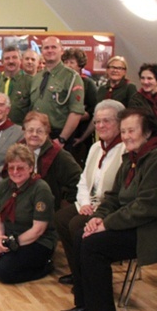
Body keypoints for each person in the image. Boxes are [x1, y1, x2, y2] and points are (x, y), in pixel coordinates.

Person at [60, 107, 157, 311]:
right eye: (123, 131)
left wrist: (106, 224)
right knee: (82, 231)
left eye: (131, 130)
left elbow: (146, 208)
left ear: (148, 131)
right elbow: (114, 196)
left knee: (93, 244)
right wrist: (98, 217)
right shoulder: (134, 157)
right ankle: (85, 304)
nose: (126, 136)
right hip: (139, 223)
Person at [54, 100, 125, 285]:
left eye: (106, 121)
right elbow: (84, 181)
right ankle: (78, 271)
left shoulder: (125, 150)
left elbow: (121, 191)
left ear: (120, 122)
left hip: (111, 208)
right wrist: (84, 203)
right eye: (97, 122)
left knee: (76, 224)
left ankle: (87, 278)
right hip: (90, 203)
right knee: (61, 218)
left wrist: (97, 208)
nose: (100, 126)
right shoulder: (95, 147)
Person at [0, 144, 57, 283]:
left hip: (36, 241)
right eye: (11, 167)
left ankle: (46, 266)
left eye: (20, 168)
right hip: (9, 236)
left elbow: (38, 230)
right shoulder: (5, 185)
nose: (15, 172)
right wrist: (0, 238)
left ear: (31, 168)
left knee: (5, 274)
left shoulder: (40, 189)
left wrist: (9, 244)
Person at [30, 36, 84, 148]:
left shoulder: (72, 77)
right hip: (36, 134)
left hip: (58, 135)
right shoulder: (37, 77)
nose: (50, 50)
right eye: (46, 48)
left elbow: (76, 112)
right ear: (42, 51)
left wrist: (62, 139)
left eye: (54, 47)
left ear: (61, 51)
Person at [21, 111, 81, 210]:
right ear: (24, 132)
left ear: (46, 134)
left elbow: (78, 180)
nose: (34, 134)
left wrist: (66, 202)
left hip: (48, 205)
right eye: (30, 130)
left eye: (39, 131)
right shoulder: (17, 151)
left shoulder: (59, 155)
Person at [61, 48, 98, 165]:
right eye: (65, 62)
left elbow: (93, 110)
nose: (68, 65)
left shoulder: (88, 83)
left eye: (72, 62)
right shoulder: (60, 82)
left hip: (81, 134)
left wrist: (76, 116)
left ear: (80, 65)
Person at [0, 46, 32, 125]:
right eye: (7, 58)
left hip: (21, 132)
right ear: (2, 61)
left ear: (20, 60)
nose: (11, 61)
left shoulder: (30, 82)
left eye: (14, 57)